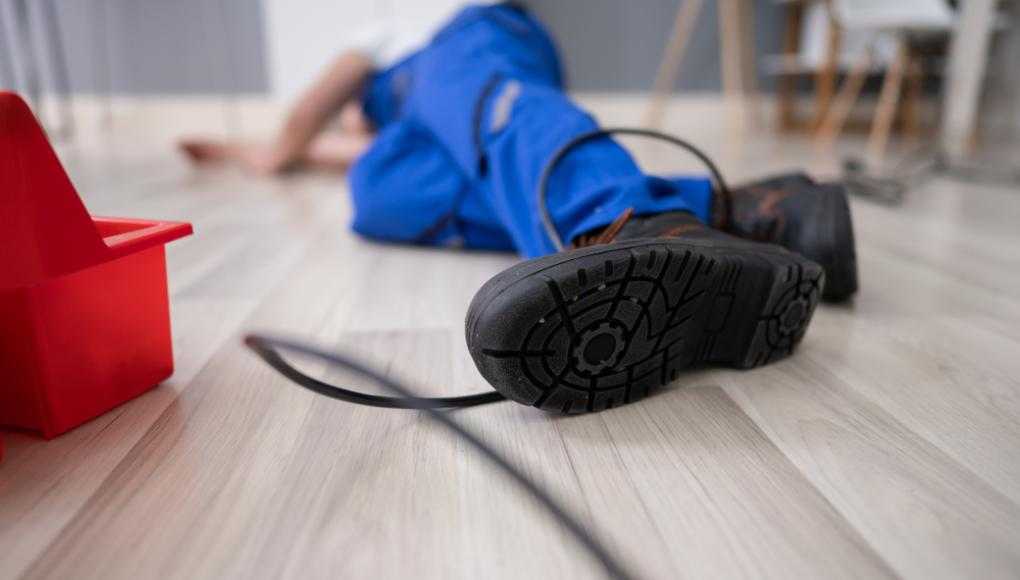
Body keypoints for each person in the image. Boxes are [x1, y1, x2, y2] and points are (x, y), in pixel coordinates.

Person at [185, 3, 858, 414]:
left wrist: (272, 150)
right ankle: (753, 210)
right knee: (376, 196)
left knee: (483, 105)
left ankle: (633, 222)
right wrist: (270, 150)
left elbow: (313, 109)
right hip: (449, 111)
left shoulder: (393, 38)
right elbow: (351, 152)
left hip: (480, 35)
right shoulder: (398, 131)